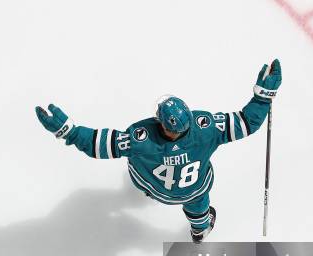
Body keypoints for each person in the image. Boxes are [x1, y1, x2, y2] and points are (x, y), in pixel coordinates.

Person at [35, 59, 282, 243]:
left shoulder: (141, 139)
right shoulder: (206, 129)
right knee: (198, 202)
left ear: (162, 123)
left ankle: (149, 194)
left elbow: (100, 144)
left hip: (157, 190)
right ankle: (200, 229)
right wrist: (263, 97)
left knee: (146, 176)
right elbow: (246, 123)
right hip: (194, 188)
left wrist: (68, 131)